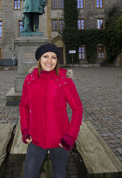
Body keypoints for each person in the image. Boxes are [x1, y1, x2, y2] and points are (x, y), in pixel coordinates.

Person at [20, 43, 83, 178]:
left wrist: (70, 136)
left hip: (59, 140)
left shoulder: (64, 81)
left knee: (59, 175)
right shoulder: (30, 80)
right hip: (36, 139)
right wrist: (25, 130)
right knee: (29, 174)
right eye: (45, 56)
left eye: (53, 57)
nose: (49, 61)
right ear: (39, 59)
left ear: (57, 60)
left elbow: (77, 108)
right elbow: (24, 106)